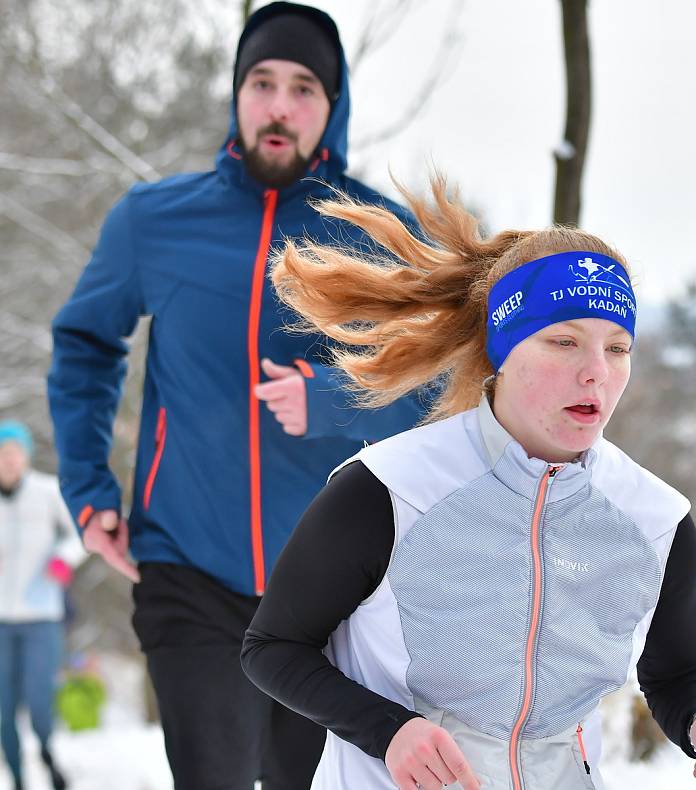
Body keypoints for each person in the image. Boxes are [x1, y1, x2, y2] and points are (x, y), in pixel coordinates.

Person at [241, 178, 696, 790]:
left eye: (617, 348)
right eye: (563, 341)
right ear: (504, 349)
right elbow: (273, 646)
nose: (595, 372)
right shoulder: (390, 489)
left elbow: (676, 670)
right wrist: (391, 731)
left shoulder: (655, 518)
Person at [46, 3, 425, 788]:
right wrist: (89, 491)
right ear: (237, 94)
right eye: (262, 82)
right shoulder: (154, 221)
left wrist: (331, 401)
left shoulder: (380, 235)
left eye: (303, 88)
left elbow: (438, 390)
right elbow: (85, 345)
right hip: (187, 568)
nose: (279, 105)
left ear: (332, 108)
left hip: (330, 592)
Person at [0, 421, 84, 790]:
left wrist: (63, 558)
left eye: (15, 453)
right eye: (3, 454)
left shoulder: (47, 491)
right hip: (1, 619)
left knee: (38, 700)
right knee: (3, 707)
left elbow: (80, 535)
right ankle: (17, 777)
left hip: (42, 616)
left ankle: (47, 752)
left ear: (26, 456)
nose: (9, 461)